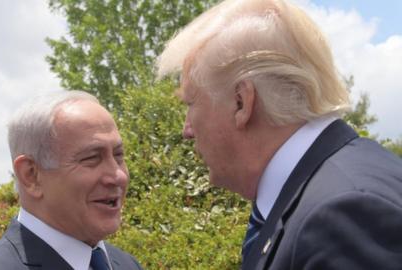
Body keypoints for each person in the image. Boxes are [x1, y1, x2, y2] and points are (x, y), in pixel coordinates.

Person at [156, 0, 402, 269]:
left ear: (241, 102)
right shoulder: (325, 191)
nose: (187, 130)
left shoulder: (342, 215)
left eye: (191, 103)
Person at [0, 91, 143, 270]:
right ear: (31, 175)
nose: (118, 176)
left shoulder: (128, 265)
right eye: (92, 158)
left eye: (118, 156)